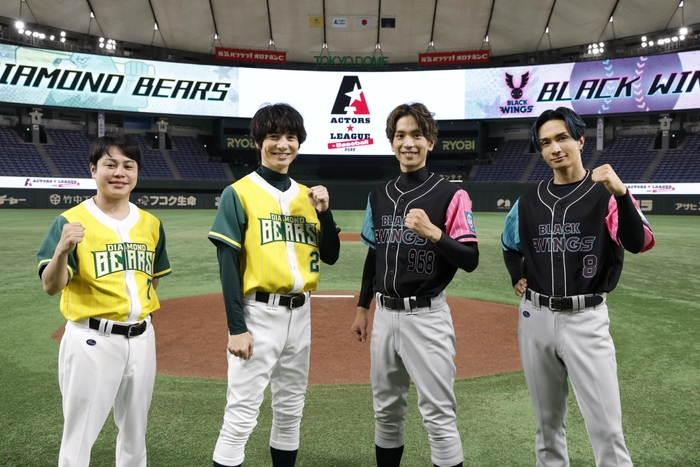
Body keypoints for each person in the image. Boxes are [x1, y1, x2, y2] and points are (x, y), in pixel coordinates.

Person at [501, 107, 655, 467]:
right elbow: (510, 246)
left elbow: (640, 242)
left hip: (586, 319)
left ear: (581, 141)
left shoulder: (607, 194)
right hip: (535, 317)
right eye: (545, 143)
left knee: (607, 430)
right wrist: (516, 275)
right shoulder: (528, 201)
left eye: (562, 138)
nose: (555, 148)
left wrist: (622, 193)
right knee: (547, 427)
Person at [208, 103, 341, 467]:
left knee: (291, 408)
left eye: (291, 137)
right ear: (258, 142)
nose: (283, 144)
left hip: (301, 313)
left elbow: (330, 255)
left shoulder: (307, 196)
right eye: (273, 136)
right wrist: (237, 328)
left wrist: (325, 213)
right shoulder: (238, 193)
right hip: (258, 314)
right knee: (242, 413)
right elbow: (228, 266)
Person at [350, 102, 479, 467]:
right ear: (392, 142)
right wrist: (362, 309)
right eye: (400, 135)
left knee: (438, 415)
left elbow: (470, 259)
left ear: (430, 142)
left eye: (417, 135)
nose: (408, 143)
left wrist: (434, 233)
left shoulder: (451, 194)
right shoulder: (379, 195)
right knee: (386, 411)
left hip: (427, 317)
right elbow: (374, 256)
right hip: (384, 316)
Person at [36, 133, 171, 467]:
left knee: (136, 433)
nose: (119, 172)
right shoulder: (70, 221)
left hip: (142, 339)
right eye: (110, 164)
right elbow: (51, 286)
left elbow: (151, 279)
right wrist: (62, 251)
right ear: (93, 169)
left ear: (137, 172)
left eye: (128, 165)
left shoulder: (151, 224)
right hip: (91, 339)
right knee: (80, 435)